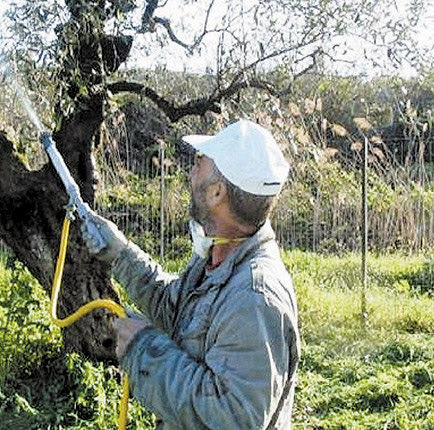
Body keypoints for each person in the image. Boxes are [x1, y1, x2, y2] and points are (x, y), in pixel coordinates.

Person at [80, 119, 300, 429]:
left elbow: (234, 417)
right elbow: (176, 307)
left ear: (216, 193)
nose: (191, 172)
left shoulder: (254, 298)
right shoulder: (219, 255)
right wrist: (120, 253)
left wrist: (144, 350)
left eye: (199, 163)